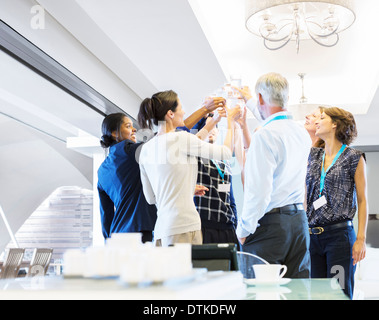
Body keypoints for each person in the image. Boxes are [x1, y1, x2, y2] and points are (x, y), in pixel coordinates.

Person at [138, 90, 241, 246]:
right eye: (181, 107)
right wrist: (231, 123)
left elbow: (151, 198)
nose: (184, 112)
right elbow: (226, 153)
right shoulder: (181, 139)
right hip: (184, 226)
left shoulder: (146, 149)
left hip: (161, 230)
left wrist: (215, 120)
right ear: (170, 114)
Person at [235, 72, 312, 278]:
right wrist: (250, 100)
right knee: (298, 292)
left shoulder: (264, 135)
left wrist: (243, 229)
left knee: (261, 293)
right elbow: (270, 116)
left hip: (270, 228)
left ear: (261, 98)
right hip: (299, 225)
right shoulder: (302, 133)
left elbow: (259, 192)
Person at [306, 107, 368, 299]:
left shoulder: (353, 157)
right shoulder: (313, 156)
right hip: (312, 236)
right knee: (316, 295)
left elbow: (363, 199)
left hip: (339, 236)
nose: (317, 121)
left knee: (338, 294)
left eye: (322, 118)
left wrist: (360, 239)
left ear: (335, 124)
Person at [97, 113, 157, 243]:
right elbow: (162, 142)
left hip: (117, 234)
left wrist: (108, 241)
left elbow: (106, 214)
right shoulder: (128, 150)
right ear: (114, 133)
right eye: (128, 126)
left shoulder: (101, 170)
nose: (134, 129)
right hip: (139, 229)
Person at [194, 115, 239, 247]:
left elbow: (230, 197)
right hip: (204, 224)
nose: (212, 129)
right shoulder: (196, 157)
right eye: (209, 126)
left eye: (215, 126)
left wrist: (235, 222)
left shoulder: (224, 160)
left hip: (227, 225)